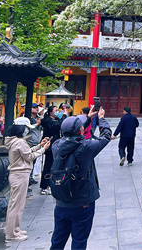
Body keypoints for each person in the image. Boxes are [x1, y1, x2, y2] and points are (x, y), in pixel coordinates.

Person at [50, 107, 111, 250]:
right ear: (80, 130)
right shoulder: (87, 147)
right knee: (79, 241)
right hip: (82, 201)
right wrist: (101, 119)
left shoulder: (56, 146)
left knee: (57, 241)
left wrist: (88, 118)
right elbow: (106, 136)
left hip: (61, 202)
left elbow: (70, 131)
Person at [5, 117, 50, 242]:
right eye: (25, 128)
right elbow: (29, 156)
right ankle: (12, 234)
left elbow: (25, 153)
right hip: (20, 174)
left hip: (17, 174)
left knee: (15, 205)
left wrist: (38, 146)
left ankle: (14, 229)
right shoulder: (19, 142)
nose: (26, 131)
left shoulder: (15, 141)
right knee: (16, 206)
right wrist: (43, 149)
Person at [40, 106, 62, 195]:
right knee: (48, 166)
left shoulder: (54, 120)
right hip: (49, 146)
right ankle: (44, 186)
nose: (57, 112)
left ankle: (50, 184)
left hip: (55, 145)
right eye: (56, 111)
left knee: (54, 165)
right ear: (50, 112)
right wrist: (63, 117)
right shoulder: (47, 121)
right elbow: (57, 127)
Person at [27, 103, 43, 186]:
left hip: (37, 142)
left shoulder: (38, 118)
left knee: (34, 160)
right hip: (30, 142)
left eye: (37, 107)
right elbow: (28, 128)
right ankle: (28, 178)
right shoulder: (27, 118)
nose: (36, 109)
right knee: (29, 160)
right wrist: (37, 124)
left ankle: (31, 177)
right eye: (34, 107)